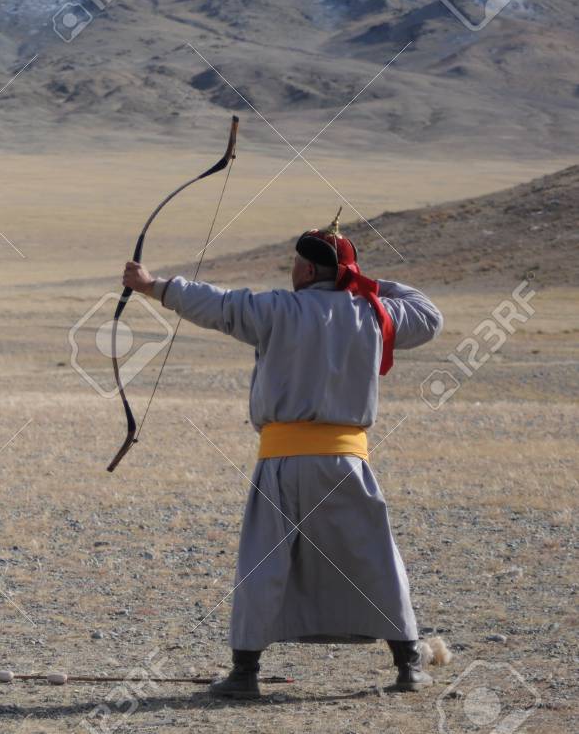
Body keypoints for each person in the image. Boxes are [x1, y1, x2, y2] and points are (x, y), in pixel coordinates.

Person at [121, 212, 443, 697]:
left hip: (283, 462)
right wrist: (364, 281)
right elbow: (427, 313)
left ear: (310, 272)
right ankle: (408, 665)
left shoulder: (277, 310)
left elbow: (219, 304)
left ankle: (245, 674)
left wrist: (152, 286)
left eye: (297, 264)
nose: (292, 271)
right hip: (347, 463)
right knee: (375, 557)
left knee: (262, 561)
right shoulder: (374, 313)